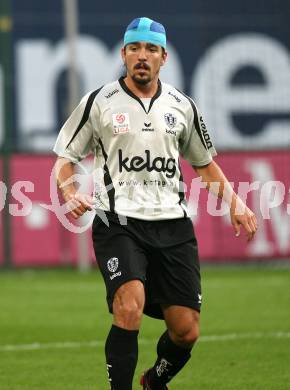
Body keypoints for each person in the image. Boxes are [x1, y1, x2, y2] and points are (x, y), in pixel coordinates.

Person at [53, 16, 257, 390]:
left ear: (164, 56)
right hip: (119, 222)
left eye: (150, 49)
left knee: (186, 331)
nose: (141, 56)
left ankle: (153, 381)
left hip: (173, 226)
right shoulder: (99, 102)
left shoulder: (182, 106)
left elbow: (204, 164)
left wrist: (235, 202)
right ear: (124, 54)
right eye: (134, 49)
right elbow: (64, 159)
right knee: (129, 306)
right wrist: (69, 192)